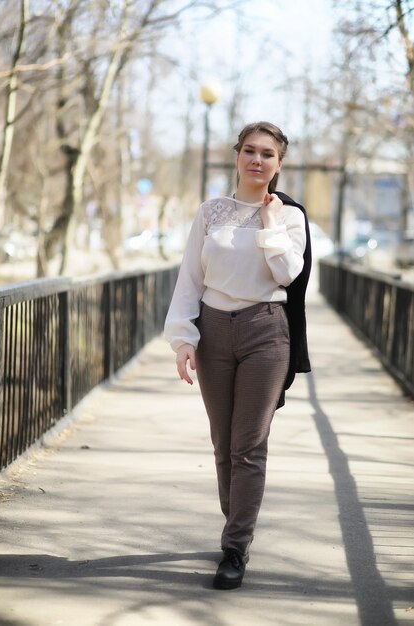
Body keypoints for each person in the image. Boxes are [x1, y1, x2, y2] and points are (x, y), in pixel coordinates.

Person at [164, 121, 311, 590]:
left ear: (279, 164)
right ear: (237, 156)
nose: (257, 160)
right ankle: (238, 523)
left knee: (248, 446)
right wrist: (183, 338)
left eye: (267, 154)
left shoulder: (290, 216)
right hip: (213, 331)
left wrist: (269, 226)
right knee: (222, 444)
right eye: (249, 150)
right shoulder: (211, 212)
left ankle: (235, 547)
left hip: (266, 332)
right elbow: (190, 278)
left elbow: (289, 274)